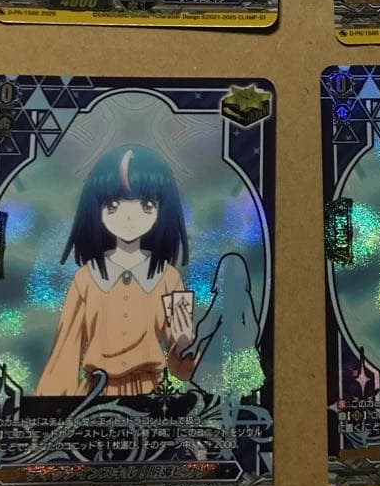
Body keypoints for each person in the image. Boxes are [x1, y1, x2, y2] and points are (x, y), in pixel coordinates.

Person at [36, 144, 194, 396]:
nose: (129, 216)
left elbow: (181, 363)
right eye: (112, 204)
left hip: (152, 394)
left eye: (146, 204)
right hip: (96, 394)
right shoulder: (85, 279)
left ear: (162, 210)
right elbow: (66, 351)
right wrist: (51, 407)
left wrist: (185, 349)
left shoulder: (170, 278)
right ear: (96, 209)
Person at [187, 253, 265, 431]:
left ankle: (229, 424)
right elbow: (210, 322)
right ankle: (228, 424)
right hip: (229, 344)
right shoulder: (237, 297)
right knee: (229, 389)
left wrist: (196, 343)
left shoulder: (239, 298)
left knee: (229, 388)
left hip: (231, 344)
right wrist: (196, 344)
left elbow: (209, 323)